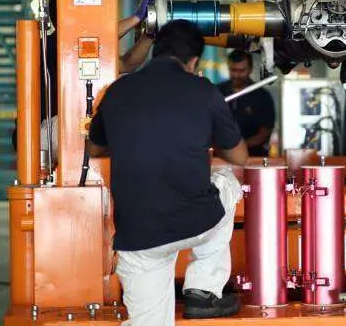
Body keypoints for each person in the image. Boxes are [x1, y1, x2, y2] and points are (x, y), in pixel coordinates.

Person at [86, 20, 249, 324]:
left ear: (155, 52)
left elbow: (94, 150)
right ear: (194, 61)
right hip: (194, 221)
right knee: (227, 181)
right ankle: (203, 291)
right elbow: (239, 155)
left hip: (138, 236)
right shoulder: (203, 89)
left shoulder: (118, 90)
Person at [11, 0, 159, 154]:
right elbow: (87, 39)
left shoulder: (86, 51)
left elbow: (126, 63)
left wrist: (150, 34)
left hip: (73, 123)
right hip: (43, 132)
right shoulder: (49, 46)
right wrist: (136, 18)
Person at [218, 50, 276, 157]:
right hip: (221, 156)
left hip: (252, 157)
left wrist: (237, 146)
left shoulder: (262, 96)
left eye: (241, 71)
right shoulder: (217, 92)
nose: (236, 75)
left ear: (250, 69)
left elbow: (264, 133)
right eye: (233, 70)